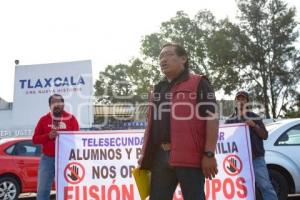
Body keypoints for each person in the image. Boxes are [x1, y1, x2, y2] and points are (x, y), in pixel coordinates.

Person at [138, 42, 219, 200]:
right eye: (161, 57)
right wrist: (144, 153)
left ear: (183, 59)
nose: (163, 60)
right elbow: (151, 125)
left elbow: (212, 118)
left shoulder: (199, 83)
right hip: (159, 158)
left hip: (190, 157)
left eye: (169, 55)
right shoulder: (157, 89)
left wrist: (209, 154)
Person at [225, 91, 278, 200]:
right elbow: (226, 140)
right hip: (238, 161)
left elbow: (265, 136)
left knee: (265, 186)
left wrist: (253, 125)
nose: (240, 101)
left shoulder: (255, 117)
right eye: (238, 99)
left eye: (243, 99)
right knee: (242, 189)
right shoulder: (229, 121)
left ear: (248, 102)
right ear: (235, 102)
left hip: (256, 159)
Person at [32, 94, 79, 200]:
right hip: (47, 159)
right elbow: (35, 139)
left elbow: (77, 140)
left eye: (59, 102)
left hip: (66, 159)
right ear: (50, 105)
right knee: (43, 190)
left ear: (63, 105)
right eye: (53, 102)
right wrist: (47, 136)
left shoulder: (71, 119)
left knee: (66, 189)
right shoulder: (43, 119)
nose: (56, 105)